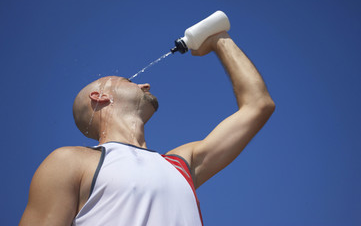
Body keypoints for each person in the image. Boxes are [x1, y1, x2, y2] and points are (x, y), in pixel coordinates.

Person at [19, 31, 275, 226]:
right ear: (100, 97)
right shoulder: (69, 162)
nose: (146, 84)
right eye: (129, 81)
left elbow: (258, 106)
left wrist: (220, 40)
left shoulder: (181, 164)